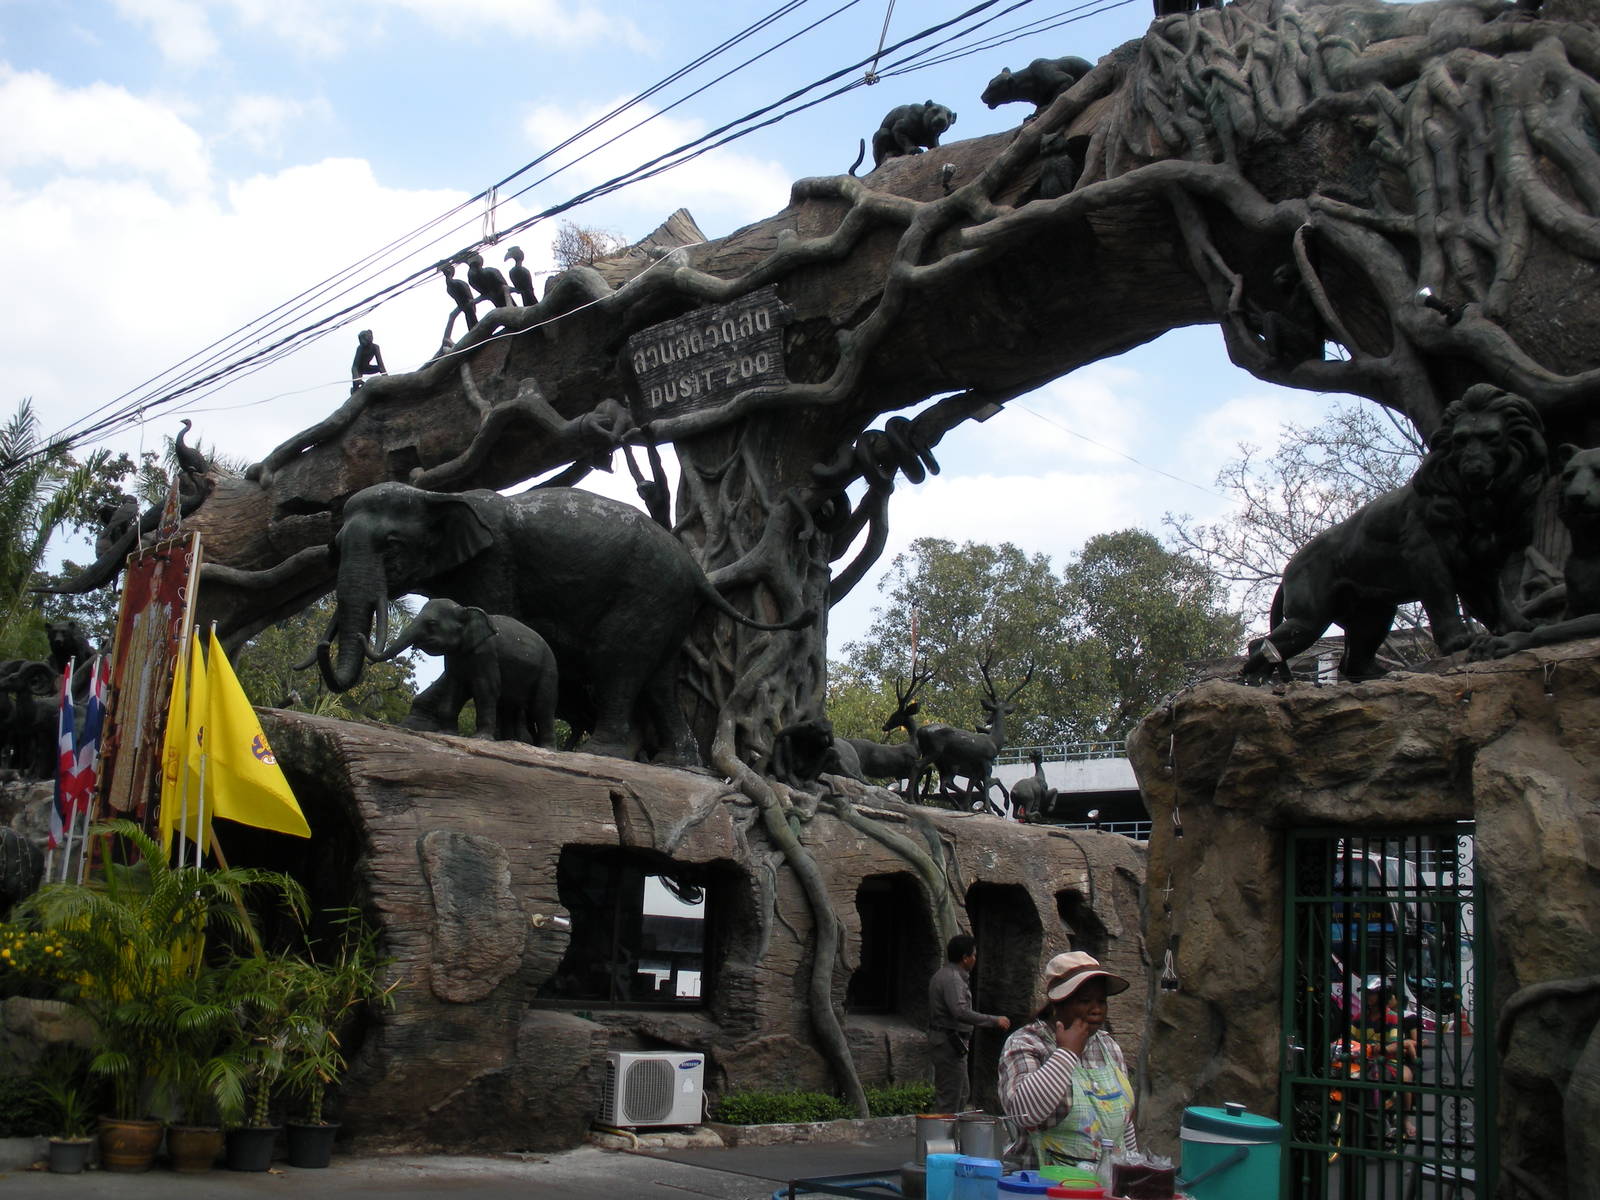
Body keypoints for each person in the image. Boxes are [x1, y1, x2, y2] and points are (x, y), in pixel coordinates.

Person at [998, 950, 1136, 1170]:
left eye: (1102, 1001)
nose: (1097, 1010)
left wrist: (1134, 1169)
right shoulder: (1026, 1043)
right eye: (1085, 1001)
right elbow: (1023, 1113)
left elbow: (1124, 1125)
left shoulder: (1108, 1047)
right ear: (1057, 1005)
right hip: (1040, 1182)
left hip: (1105, 1184)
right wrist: (1067, 1053)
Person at [927, 933, 1011, 1112]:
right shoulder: (952, 979)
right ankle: (942, 1130)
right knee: (950, 1099)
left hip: (950, 1043)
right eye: (973, 955)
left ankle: (951, 1129)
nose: (975, 959)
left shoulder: (948, 975)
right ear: (965, 958)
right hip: (949, 1043)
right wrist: (994, 1020)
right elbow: (960, 1011)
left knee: (962, 1093)